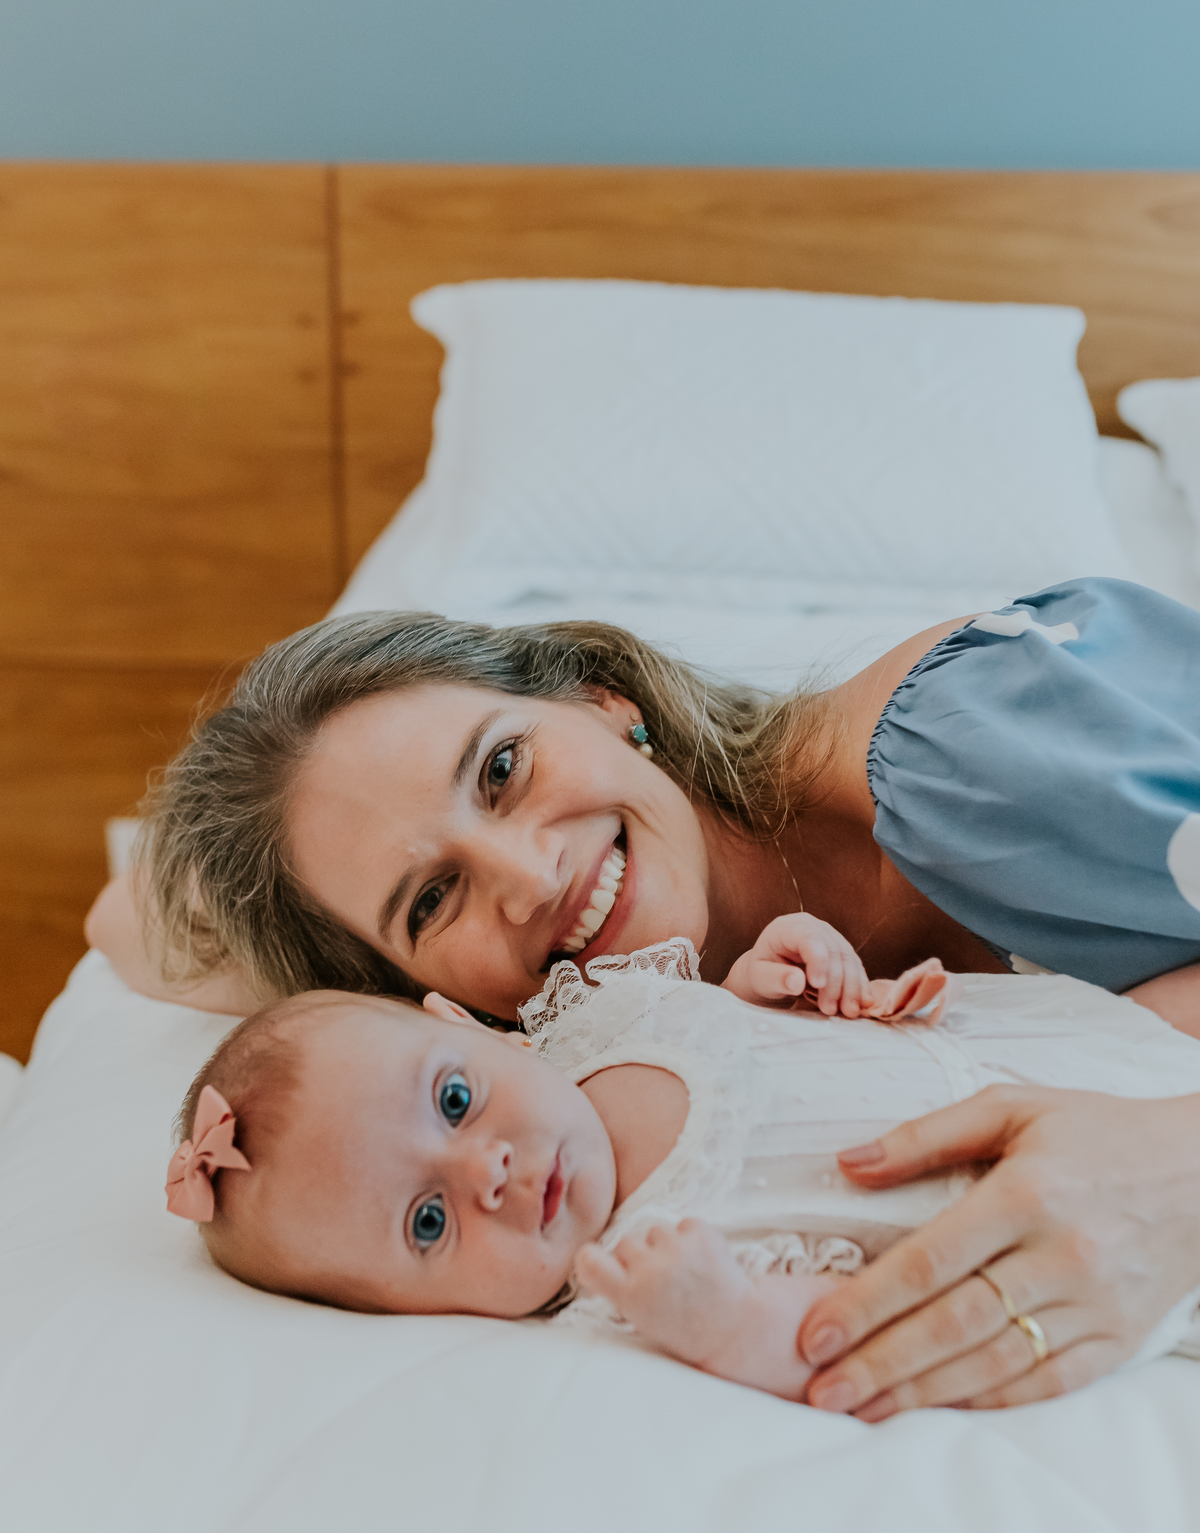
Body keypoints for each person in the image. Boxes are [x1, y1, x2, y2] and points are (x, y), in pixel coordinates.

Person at [89, 577, 1200, 1408]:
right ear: (422, 995)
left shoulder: (982, 754)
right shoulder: (596, 1047)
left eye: (502, 769)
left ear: (603, 698)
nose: (531, 878)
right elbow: (126, 927)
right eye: (431, 901)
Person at [165, 921, 1200, 1407]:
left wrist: (796, 971)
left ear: (474, 1029)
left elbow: (738, 1011)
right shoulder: (634, 1275)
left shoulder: (605, 1015)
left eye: (454, 1100)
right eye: (428, 1223)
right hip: (1086, 1224)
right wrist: (729, 1321)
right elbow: (852, 1332)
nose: (487, 1170)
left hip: (1048, 1045)